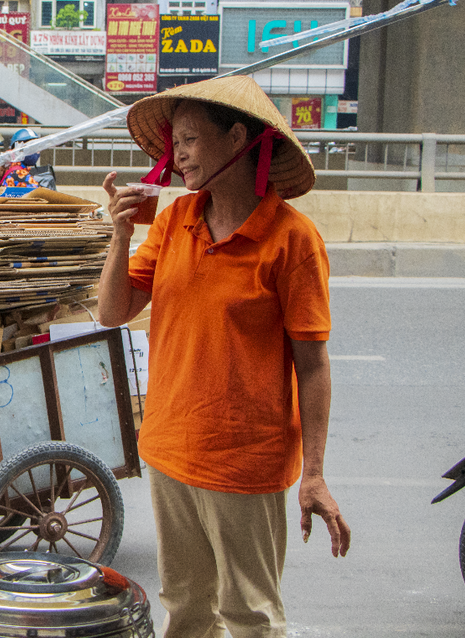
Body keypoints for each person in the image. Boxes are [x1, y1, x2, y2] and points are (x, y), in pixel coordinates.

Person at [97, 76, 351, 638]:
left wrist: (315, 475)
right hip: (169, 450)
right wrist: (119, 234)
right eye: (173, 143)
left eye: (188, 139)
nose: (177, 154)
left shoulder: (292, 238)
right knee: (186, 610)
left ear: (237, 137)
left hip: (245, 462)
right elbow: (112, 312)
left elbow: (313, 365)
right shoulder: (173, 221)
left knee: (250, 615)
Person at [0, 127, 57, 195]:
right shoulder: (18, 173)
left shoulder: (11, 167)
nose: (37, 152)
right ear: (20, 150)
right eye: (33, 148)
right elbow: (43, 195)